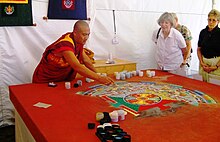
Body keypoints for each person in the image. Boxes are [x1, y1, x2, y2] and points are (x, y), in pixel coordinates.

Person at [32, 20, 114, 85]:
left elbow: (86, 61)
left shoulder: (78, 42)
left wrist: (98, 74)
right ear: (75, 33)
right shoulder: (66, 44)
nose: (86, 38)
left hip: (61, 80)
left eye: (88, 34)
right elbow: (77, 66)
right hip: (45, 79)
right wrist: (99, 78)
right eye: (84, 34)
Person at [197, 9, 220, 82]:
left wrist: (215, 66)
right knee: (202, 87)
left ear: (218, 21)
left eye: (214, 20)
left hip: (216, 63)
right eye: (209, 19)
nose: (211, 22)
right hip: (203, 63)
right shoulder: (203, 32)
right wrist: (201, 62)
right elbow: (199, 49)